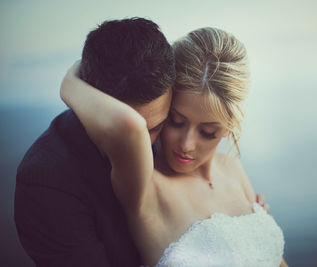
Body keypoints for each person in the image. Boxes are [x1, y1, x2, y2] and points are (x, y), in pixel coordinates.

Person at [14, 18, 270, 267]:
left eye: (209, 132)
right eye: (176, 122)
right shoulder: (52, 178)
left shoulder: (232, 168)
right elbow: (130, 128)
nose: (186, 145)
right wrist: (69, 83)